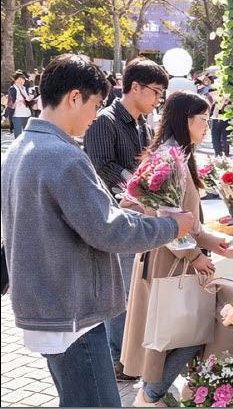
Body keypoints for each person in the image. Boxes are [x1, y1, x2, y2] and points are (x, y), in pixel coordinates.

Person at [0, 54, 195, 407]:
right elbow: (109, 232)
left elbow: (74, 221)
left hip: (49, 306)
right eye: (94, 104)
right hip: (71, 311)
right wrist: (171, 226)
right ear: (74, 97)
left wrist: (121, 210)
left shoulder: (21, 148)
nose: (96, 114)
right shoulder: (62, 155)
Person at [120, 91, 232, 407]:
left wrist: (210, 241)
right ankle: (150, 395)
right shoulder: (169, 159)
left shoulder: (177, 155)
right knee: (185, 331)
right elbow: (165, 218)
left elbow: (185, 220)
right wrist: (195, 255)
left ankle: (152, 393)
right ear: (185, 120)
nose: (207, 126)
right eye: (203, 120)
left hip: (172, 259)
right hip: (168, 261)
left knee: (174, 333)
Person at [84, 56, 169, 381]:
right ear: (135, 87)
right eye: (155, 91)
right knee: (120, 290)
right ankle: (116, 358)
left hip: (139, 218)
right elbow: (101, 166)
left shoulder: (142, 123)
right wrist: (139, 185)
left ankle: (129, 354)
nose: (158, 99)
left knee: (134, 288)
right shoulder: (104, 121)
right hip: (114, 220)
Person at [6, 71, 33, 137]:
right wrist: (17, 101)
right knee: (18, 136)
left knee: (27, 136)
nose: (22, 81)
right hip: (17, 115)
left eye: (23, 79)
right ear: (15, 80)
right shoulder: (12, 89)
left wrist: (30, 99)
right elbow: (10, 104)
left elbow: (28, 100)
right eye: (19, 79)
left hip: (27, 114)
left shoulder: (25, 88)